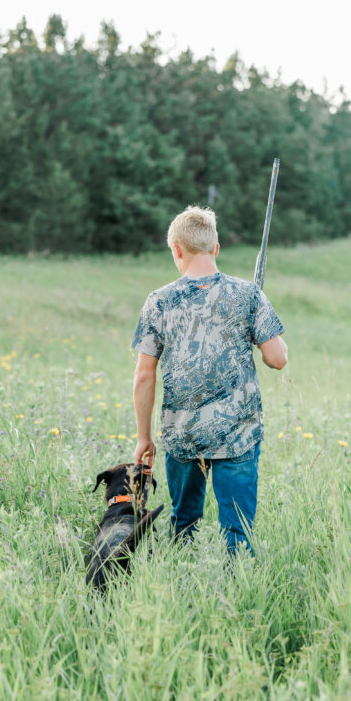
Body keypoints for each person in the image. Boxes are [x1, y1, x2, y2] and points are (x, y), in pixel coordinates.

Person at [131, 206, 288, 555]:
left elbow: (144, 376)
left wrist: (144, 437)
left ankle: (183, 586)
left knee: (183, 520)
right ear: (216, 249)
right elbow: (277, 359)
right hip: (238, 435)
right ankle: (236, 599)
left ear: (176, 250)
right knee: (238, 529)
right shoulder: (248, 295)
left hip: (182, 434)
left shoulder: (159, 301)